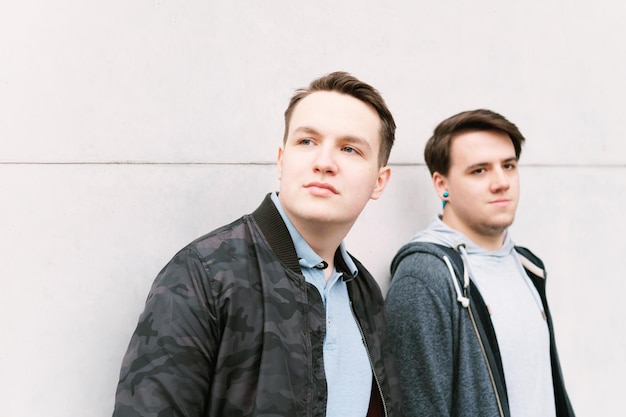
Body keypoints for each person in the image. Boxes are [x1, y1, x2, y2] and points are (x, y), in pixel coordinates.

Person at [113, 71, 402, 417]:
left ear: (379, 181)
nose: (324, 163)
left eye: (350, 148)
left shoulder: (365, 293)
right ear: (282, 161)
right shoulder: (204, 274)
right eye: (306, 141)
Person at [385, 109, 575, 417]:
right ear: (440, 184)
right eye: (479, 170)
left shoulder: (527, 266)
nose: (501, 182)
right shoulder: (424, 279)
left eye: (508, 165)